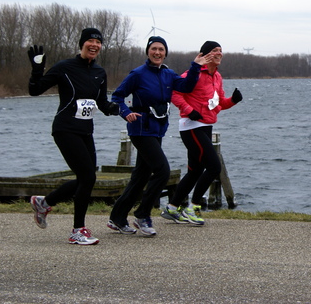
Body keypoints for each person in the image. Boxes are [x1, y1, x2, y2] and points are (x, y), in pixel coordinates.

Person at [107, 36, 211, 236]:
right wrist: (124, 112)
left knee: (141, 176)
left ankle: (116, 218)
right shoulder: (137, 74)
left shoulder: (168, 74)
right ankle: (142, 215)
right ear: (148, 51)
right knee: (162, 171)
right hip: (140, 129)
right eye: (154, 49)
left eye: (161, 49)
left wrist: (196, 66)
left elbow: (187, 87)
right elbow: (117, 96)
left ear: (165, 53)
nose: (157, 52)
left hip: (157, 129)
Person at [28, 28, 120, 245]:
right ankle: (77, 230)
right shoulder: (64, 67)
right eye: (90, 41)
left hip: (86, 131)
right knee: (87, 177)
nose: (94, 45)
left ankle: (44, 202)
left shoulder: (99, 72)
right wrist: (37, 70)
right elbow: (35, 90)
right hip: (65, 128)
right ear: (82, 44)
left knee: (86, 178)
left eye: (98, 42)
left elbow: (100, 102)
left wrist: (115, 108)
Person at [161, 41, 242, 225]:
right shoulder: (193, 73)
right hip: (191, 125)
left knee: (195, 170)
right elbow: (175, 92)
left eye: (221, 51)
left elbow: (219, 102)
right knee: (214, 166)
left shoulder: (217, 77)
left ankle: (172, 208)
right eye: (215, 51)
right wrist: (189, 110)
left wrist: (233, 100)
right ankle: (193, 207)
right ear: (204, 55)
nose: (219, 54)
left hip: (206, 125)